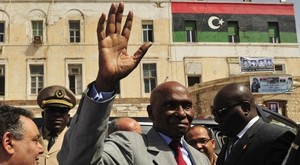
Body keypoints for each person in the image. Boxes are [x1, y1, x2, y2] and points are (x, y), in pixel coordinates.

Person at [58, 2, 210, 165]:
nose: (181, 113)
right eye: (170, 105)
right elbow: (82, 161)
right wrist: (105, 83)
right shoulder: (129, 146)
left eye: (187, 106)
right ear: (151, 113)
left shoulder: (200, 158)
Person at [212, 83, 295, 165]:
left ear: (245, 108)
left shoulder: (276, 138)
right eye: (214, 114)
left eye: (221, 112)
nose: (217, 119)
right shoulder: (230, 142)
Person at [36, 85, 76, 165]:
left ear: (68, 117)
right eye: (51, 110)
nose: (57, 115)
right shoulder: (31, 138)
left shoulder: (76, 140)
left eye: (62, 111)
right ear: (43, 114)